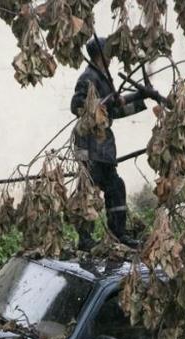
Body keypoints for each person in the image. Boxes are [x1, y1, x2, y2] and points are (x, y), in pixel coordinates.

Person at [70, 37, 164, 250]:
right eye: (108, 52)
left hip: (103, 147)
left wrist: (139, 98)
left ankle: (118, 234)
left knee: (115, 187)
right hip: (90, 145)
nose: (112, 56)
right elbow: (77, 106)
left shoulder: (102, 78)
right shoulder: (88, 78)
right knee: (88, 192)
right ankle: (85, 239)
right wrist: (106, 102)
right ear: (99, 54)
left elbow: (115, 111)